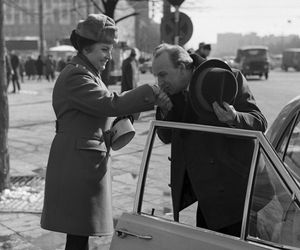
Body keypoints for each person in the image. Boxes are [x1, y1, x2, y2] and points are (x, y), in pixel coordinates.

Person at [40, 14, 172, 250]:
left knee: (80, 232)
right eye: (104, 49)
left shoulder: (88, 72)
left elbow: (101, 114)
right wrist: (150, 92)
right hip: (77, 162)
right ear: (87, 48)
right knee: (78, 232)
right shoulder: (76, 75)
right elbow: (109, 104)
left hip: (84, 160)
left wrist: (126, 118)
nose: (109, 56)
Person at [152, 43, 268, 237]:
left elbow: (260, 122)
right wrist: (164, 111)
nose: (159, 82)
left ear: (181, 68)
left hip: (239, 195)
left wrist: (235, 118)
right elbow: (165, 136)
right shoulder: (173, 91)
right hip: (206, 196)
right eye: (156, 76)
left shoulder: (227, 78)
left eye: (162, 74)